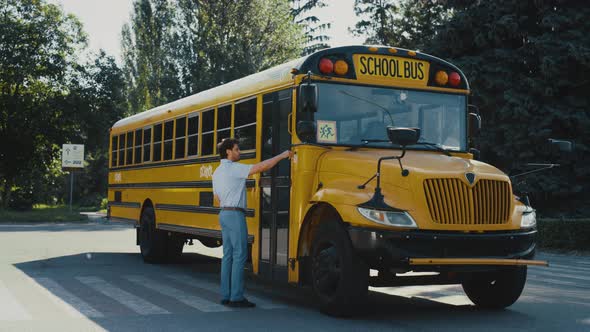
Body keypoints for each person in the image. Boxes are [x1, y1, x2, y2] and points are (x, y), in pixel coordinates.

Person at [212, 138, 293, 308]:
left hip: (223, 213)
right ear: (228, 152)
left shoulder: (216, 172)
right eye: (237, 149)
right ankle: (236, 297)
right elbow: (261, 167)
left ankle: (225, 295)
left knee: (227, 256)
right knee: (240, 255)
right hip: (235, 215)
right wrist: (282, 155)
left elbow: (217, 198)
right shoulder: (234, 169)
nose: (239, 152)